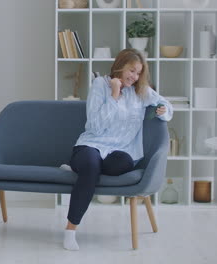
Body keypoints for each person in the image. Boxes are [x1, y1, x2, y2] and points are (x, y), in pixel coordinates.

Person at [63, 48, 173, 251]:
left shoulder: (140, 91)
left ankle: (81, 169)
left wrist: (164, 111)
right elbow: (95, 126)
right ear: (120, 66)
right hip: (91, 145)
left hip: (118, 152)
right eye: (131, 70)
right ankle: (70, 230)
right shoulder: (100, 85)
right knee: (90, 164)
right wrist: (114, 95)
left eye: (139, 72)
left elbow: (166, 104)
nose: (134, 76)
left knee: (123, 163)